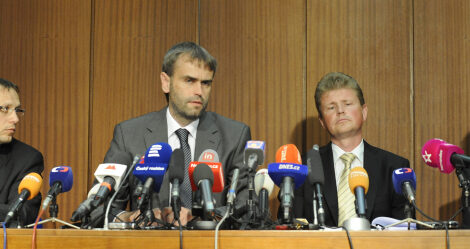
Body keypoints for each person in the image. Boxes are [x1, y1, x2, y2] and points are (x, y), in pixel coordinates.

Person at [103, 42, 251, 226]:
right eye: (189, 81)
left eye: (206, 83)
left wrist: (202, 216)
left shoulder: (234, 135)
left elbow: (246, 207)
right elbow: (101, 208)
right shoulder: (129, 135)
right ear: (166, 82)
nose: (199, 92)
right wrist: (130, 217)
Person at [293, 72, 411, 227]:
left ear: (364, 112)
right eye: (331, 107)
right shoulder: (301, 167)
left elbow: (406, 231)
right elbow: (291, 228)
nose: (340, 111)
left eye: (347, 104)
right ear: (322, 121)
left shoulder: (394, 168)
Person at [0, 78, 44, 227]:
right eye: (5, 109)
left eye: (17, 110)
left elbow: (21, 215)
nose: (15, 119)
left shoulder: (27, 159)